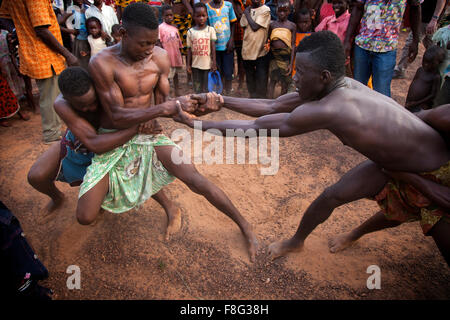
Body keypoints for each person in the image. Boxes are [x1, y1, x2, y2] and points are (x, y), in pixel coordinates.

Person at [175, 31, 450, 264]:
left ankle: (344, 235)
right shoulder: (340, 86)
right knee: (332, 196)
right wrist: (220, 101)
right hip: (395, 164)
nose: (294, 78)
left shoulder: (332, 109)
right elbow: (273, 105)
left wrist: (194, 125)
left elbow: (258, 127)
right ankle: (297, 241)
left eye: (300, 73)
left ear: (324, 75)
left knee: (405, 214)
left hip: (436, 173)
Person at [83, 3, 258, 261]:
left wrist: (196, 110)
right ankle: (159, 203)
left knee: (194, 178)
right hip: (116, 133)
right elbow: (119, 114)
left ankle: (245, 226)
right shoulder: (102, 63)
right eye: (142, 43)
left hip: (149, 130)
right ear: (122, 33)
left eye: (152, 43)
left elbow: (168, 106)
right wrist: (162, 110)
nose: (148, 50)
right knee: (86, 213)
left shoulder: (160, 58)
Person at [27, 66, 186, 239]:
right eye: (82, 106)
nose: (91, 108)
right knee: (36, 176)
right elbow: (93, 142)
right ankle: (58, 198)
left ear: (96, 87)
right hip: (81, 144)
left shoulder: (109, 91)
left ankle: (170, 206)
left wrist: (144, 123)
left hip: (115, 143)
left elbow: (141, 108)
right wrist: (135, 129)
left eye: (93, 102)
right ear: (68, 99)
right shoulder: (61, 104)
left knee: (136, 171)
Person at [328, 104, 450, 266]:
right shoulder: (443, 116)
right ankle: (355, 234)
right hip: (437, 176)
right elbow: (409, 121)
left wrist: (409, 177)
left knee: (430, 210)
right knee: (403, 203)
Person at [0, 0, 79, 144]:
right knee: (50, 97)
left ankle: (58, 129)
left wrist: (16, 31)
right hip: (45, 55)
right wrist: (68, 55)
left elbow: (3, 15)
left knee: (54, 93)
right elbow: (41, 29)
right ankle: (52, 135)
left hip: (37, 53)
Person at [343, 0, 421, 97]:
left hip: (387, 48)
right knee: (358, 89)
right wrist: (347, 40)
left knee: (382, 94)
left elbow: (415, 8)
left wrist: (415, 40)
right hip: (363, 45)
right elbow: (358, 7)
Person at [393, 0, 447, 79]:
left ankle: (400, 69)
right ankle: (437, 73)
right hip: (424, 17)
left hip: (428, 19)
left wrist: (434, 19)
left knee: (413, 44)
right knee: (432, 47)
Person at [240, 0, 271, 98]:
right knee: (250, 75)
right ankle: (252, 97)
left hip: (260, 49)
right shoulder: (248, 10)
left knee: (261, 75)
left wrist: (246, 13)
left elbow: (254, 26)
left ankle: (261, 99)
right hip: (247, 48)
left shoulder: (265, 10)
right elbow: (243, 24)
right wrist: (247, 12)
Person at [206, 0, 237, 94]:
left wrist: (231, 40)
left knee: (228, 71)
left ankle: (228, 89)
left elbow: (233, 23)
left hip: (227, 46)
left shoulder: (228, 5)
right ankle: (220, 90)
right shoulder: (207, 7)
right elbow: (206, 26)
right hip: (215, 47)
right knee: (219, 70)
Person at [267, 0, 296, 98]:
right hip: (274, 57)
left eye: (285, 11)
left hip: (286, 58)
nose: (282, 13)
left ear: (289, 11)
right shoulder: (272, 25)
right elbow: (268, 41)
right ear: (276, 11)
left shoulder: (292, 26)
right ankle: (269, 102)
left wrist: (291, 64)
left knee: (285, 82)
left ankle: (281, 103)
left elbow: (292, 45)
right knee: (272, 80)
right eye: (280, 11)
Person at [405, 45, 446, 113]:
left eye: (430, 63)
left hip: (420, 107)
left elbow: (433, 95)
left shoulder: (436, 77)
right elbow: (413, 85)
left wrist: (416, 103)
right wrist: (409, 100)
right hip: (410, 103)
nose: (426, 64)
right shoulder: (420, 70)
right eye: (424, 61)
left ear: (439, 63)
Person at [187, 2, 217, 93]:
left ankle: (206, 104)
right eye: (198, 16)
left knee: (207, 87)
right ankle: (199, 104)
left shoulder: (210, 30)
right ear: (194, 17)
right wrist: (188, 64)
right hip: (195, 65)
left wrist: (214, 62)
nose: (201, 18)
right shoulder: (190, 32)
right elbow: (189, 50)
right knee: (197, 87)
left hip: (207, 65)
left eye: (203, 15)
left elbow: (213, 48)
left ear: (207, 16)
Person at [159, 5, 184, 97]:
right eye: (167, 15)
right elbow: (159, 42)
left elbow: (179, 44)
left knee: (176, 74)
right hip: (167, 57)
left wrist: (180, 55)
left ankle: (177, 90)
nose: (169, 17)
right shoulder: (161, 28)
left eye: (171, 15)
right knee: (167, 76)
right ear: (163, 16)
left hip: (175, 56)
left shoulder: (175, 28)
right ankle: (168, 93)